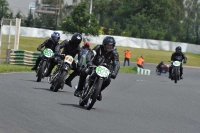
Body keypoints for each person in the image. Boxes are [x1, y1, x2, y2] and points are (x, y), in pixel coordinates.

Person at [74, 36, 120, 101]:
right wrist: (89, 62)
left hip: (105, 70)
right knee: (84, 71)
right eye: (108, 46)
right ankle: (79, 89)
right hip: (94, 66)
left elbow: (116, 63)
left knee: (108, 80)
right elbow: (90, 53)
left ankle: (98, 91)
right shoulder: (98, 47)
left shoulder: (114, 53)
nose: (109, 47)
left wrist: (114, 72)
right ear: (104, 44)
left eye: (111, 46)